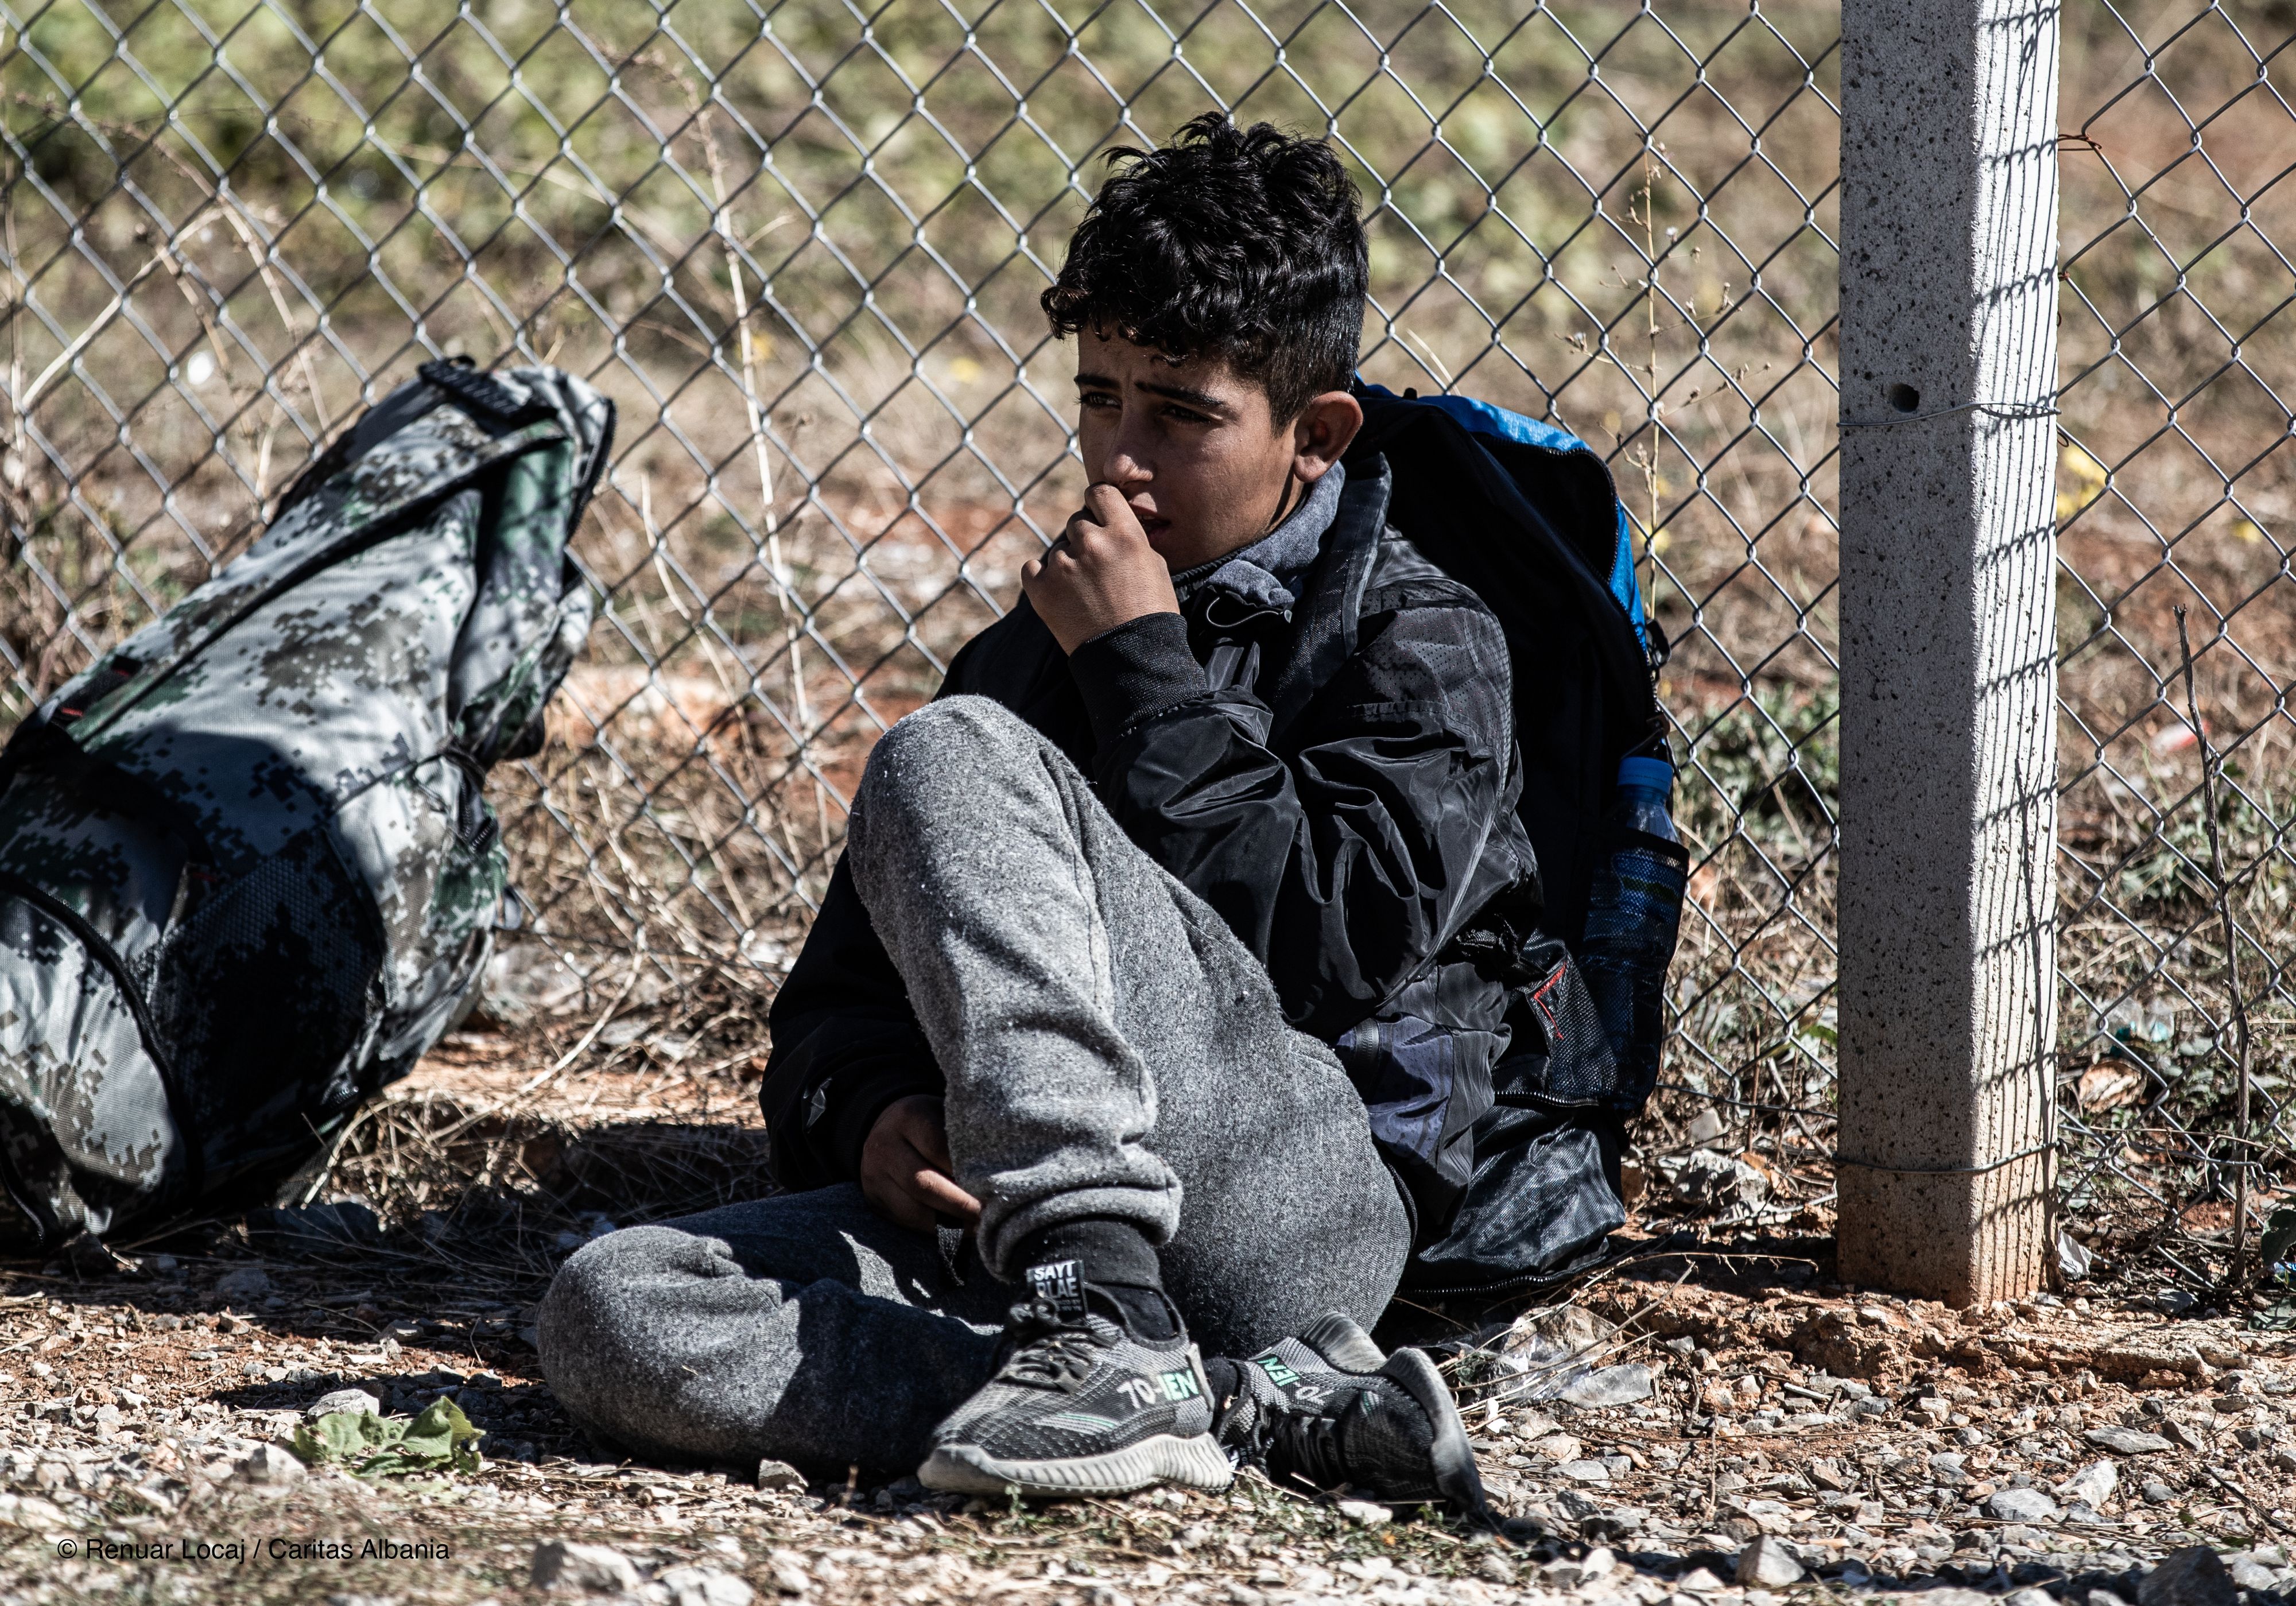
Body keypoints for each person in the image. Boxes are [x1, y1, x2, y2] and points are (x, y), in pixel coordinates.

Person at [540, 113, 1597, 1512]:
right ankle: (1218, 1397)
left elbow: (1319, 957)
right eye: (1098, 397)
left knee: (945, 752)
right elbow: (837, 999)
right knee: (613, 1310)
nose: (1120, 459)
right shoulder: (1035, 647)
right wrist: (869, 1112)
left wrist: (1144, 672)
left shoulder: (1420, 640)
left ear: (1314, 435)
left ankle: (1109, 1318)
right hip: (1027, 1219)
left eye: (1181, 413)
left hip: (1297, 1206)